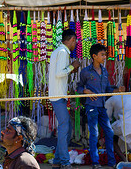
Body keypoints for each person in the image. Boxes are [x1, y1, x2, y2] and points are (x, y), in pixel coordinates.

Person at [77, 43, 124, 169]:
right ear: (94, 56)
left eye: (105, 55)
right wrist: (85, 91)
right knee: (94, 133)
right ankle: (95, 162)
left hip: (102, 106)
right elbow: (79, 87)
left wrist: (117, 90)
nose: (104, 57)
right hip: (91, 106)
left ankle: (111, 161)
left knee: (109, 132)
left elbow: (108, 88)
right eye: (102, 55)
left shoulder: (104, 71)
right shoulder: (85, 72)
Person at [48, 29, 80, 169]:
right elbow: (59, 73)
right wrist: (72, 66)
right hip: (57, 95)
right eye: (75, 41)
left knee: (66, 127)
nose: (75, 44)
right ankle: (65, 162)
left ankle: (57, 161)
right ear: (72, 39)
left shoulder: (59, 51)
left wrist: (71, 68)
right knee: (64, 128)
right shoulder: (62, 52)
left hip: (58, 95)